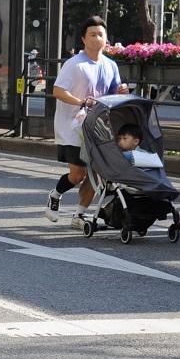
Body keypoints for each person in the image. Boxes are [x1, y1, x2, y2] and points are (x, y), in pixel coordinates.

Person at [45, 16, 130, 229]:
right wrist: (79, 101)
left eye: (100, 34)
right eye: (92, 34)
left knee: (97, 173)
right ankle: (55, 194)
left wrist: (122, 91)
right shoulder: (75, 64)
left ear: (106, 39)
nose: (96, 38)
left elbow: (113, 93)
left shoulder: (110, 65)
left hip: (99, 126)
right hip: (72, 127)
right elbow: (57, 90)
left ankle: (79, 216)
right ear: (83, 39)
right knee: (78, 174)